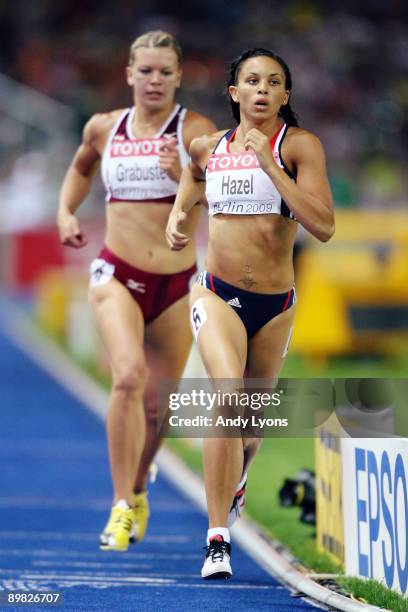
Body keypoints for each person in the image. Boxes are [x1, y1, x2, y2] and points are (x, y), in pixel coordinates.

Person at [166, 47, 335, 579]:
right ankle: (217, 537)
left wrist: (270, 165)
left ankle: (235, 483)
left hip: (276, 305)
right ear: (234, 92)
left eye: (274, 82)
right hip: (216, 294)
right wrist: (178, 214)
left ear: (285, 95)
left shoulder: (300, 146)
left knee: (250, 426)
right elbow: (194, 175)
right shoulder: (209, 145)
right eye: (252, 81)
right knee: (227, 396)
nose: (262, 89)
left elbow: (324, 225)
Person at [57, 30, 216, 552]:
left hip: (175, 284)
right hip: (117, 274)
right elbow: (81, 168)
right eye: (145, 71)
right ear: (129, 75)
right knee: (127, 376)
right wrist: (65, 211)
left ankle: (142, 481)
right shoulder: (104, 127)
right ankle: (121, 503)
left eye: (164, 72)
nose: (154, 80)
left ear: (178, 77)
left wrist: (190, 177)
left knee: (161, 409)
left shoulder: (195, 131)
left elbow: (230, 202)